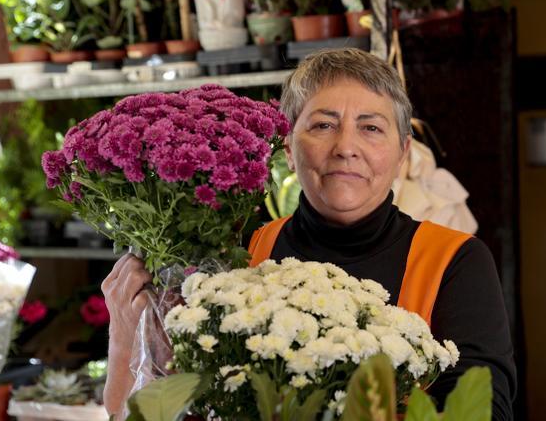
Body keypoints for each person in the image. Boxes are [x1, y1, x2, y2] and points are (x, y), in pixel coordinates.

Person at [101, 48, 516, 419]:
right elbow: (149, 409)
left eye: (371, 127)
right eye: (322, 125)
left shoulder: (455, 261)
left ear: (403, 154)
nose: (345, 147)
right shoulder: (240, 252)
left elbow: (483, 411)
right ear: (287, 149)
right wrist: (125, 335)